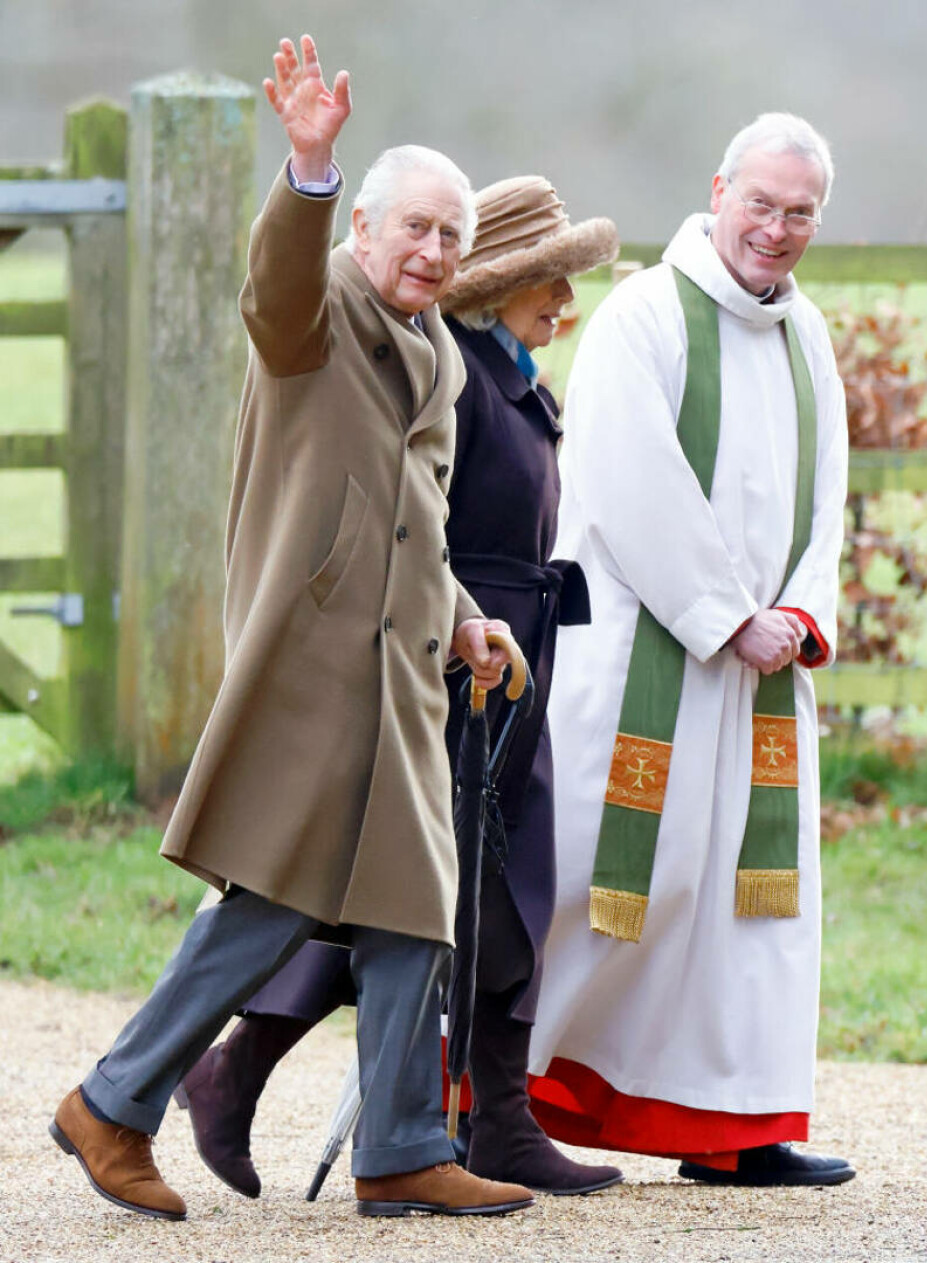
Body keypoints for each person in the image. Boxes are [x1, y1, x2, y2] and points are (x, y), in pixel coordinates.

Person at [48, 34, 537, 1221]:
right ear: (363, 232)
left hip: (402, 685)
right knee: (271, 902)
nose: (430, 251)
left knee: (412, 907)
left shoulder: (439, 360)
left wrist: (469, 622)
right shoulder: (311, 324)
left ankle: (401, 1148)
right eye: (411, 227)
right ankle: (113, 1105)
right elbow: (273, 279)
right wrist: (308, 169)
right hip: (316, 678)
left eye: (449, 237)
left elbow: (409, 525)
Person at [174, 176, 626, 1199]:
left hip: (505, 658)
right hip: (452, 667)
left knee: (465, 890)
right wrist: (453, 631)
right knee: (419, 893)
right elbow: (410, 526)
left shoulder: (504, 373)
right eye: (547, 286)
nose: (564, 305)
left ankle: (282, 1086)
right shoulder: (450, 374)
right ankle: (437, 1115)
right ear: (494, 288)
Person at [524, 113, 857, 1188]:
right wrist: (726, 615)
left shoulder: (807, 335)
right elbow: (628, 486)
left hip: (763, 676)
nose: (776, 229)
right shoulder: (643, 318)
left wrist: (800, 616)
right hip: (646, 663)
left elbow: (827, 500)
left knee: (752, 899)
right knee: (603, 878)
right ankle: (496, 1099)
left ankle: (732, 1126)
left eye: (799, 212)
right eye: (760, 203)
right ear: (718, 190)